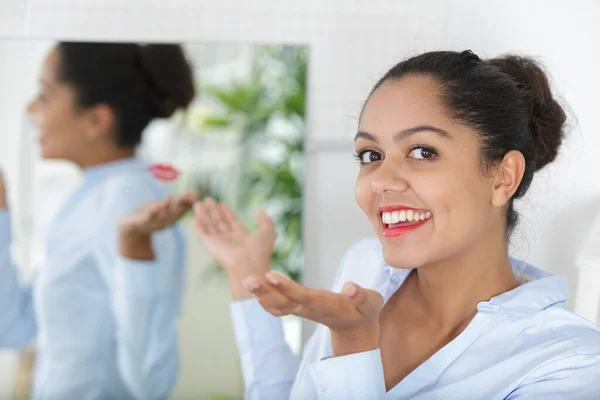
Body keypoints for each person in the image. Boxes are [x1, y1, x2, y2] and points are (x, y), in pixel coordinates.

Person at [189, 50, 600, 399]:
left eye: (422, 151)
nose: (381, 180)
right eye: (370, 154)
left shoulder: (567, 365)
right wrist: (246, 274)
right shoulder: (365, 267)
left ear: (503, 177)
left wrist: (355, 346)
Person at [0, 42, 196, 400]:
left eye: (45, 94)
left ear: (96, 120)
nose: (31, 108)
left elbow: (151, 382)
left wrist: (135, 247)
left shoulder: (128, 198)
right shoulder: (86, 198)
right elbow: (13, 326)